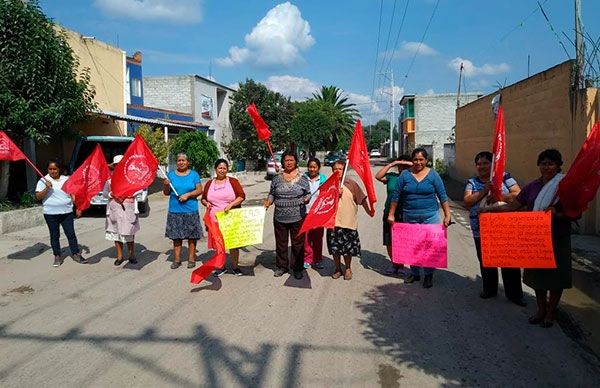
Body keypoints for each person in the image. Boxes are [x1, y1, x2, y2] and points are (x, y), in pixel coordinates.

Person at [482, 149, 576, 328]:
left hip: (557, 238)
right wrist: (489, 210)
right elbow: (512, 207)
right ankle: (540, 310)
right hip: (535, 239)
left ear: (558, 166)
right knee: (537, 277)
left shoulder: (564, 186)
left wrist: (557, 214)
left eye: (551, 163)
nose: (547, 167)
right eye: (543, 163)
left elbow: (575, 213)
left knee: (556, 278)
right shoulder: (532, 187)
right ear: (539, 165)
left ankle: (551, 313)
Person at [463, 151, 525, 305]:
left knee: (509, 261)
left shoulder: (504, 177)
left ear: (492, 165)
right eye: (479, 164)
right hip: (481, 228)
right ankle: (489, 290)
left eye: (485, 163)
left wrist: (500, 196)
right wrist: (484, 191)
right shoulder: (472, 182)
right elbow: (467, 201)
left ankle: (514, 294)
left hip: (504, 227)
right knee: (486, 260)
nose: (482, 166)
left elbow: (519, 194)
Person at [387, 148, 451, 288]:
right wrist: (391, 214)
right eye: (415, 159)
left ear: (426, 160)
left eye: (421, 159)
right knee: (413, 245)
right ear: (412, 160)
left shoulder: (433, 175)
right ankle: (415, 274)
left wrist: (447, 214)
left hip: (430, 216)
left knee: (428, 245)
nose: (418, 162)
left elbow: (442, 195)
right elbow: (396, 196)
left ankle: (428, 275)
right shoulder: (405, 175)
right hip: (409, 215)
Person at [263, 150, 310, 280]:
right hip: (280, 216)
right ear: (283, 162)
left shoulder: (303, 178)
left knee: (298, 244)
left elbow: (307, 193)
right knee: (281, 243)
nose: (289, 162)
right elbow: (272, 193)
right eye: (286, 160)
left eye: (291, 160)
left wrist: (307, 198)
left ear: (296, 162)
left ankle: (297, 268)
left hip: (298, 216)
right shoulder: (277, 178)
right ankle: (282, 266)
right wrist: (268, 201)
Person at [35, 159, 86, 267]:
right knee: (54, 235)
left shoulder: (66, 179)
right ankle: (57, 256)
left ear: (59, 169)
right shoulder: (43, 180)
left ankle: (76, 253)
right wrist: (46, 188)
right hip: (50, 213)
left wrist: (78, 207)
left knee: (71, 234)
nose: (52, 171)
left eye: (55, 169)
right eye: (50, 169)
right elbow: (38, 196)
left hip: (66, 212)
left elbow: (73, 194)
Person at [327, 160, 373, 280]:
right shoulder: (328, 184)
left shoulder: (351, 184)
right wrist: (335, 193)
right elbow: (323, 202)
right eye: (335, 169)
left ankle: (348, 268)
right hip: (333, 222)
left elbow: (362, 199)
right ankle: (337, 268)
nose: (337, 171)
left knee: (347, 249)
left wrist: (369, 211)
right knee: (335, 248)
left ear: (344, 170)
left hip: (348, 222)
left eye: (340, 169)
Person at [201, 159, 246, 276]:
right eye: (220, 168)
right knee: (218, 245)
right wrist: (206, 203)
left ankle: (235, 267)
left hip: (231, 219)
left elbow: (241, 196)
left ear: (227, 169)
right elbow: (203, 198)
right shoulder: (209, 184)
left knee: (233, 244)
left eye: (224, 168)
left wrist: (231, 205)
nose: (222, 170)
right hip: (214, 220)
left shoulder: (233, 182)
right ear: (215, 169)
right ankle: (221, 267)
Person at [163, 153, 203, 269]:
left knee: (192, 236)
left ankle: (191, 258)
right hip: (175, 210)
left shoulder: (194, 174)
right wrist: (165, 185)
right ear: (176, 162)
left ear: (188, 162)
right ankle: (177, 259)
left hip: (190, 209)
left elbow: (199, 190)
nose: (181, 162)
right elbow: (166, 193)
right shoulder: (171, 175)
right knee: (176, 237)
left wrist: (188, 195)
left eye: (183, 160)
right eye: (179, 160)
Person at [375, 155, 413, 275]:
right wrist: (393, 163)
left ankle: (401, 265)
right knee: (389, 241)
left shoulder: (413, 178)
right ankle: (394, 263)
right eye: (400, 166)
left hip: (404, 213)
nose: (402, 168)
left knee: (401, 240)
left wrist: (410, 164)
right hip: (388, 212)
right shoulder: (392, 177)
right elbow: (378, 176)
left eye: (405, 166)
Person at [103, 155, 140, 266]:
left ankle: (131, 255)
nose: (118, 167)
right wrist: (112, 194)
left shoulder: (131, 179)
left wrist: (127, 194)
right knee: (116, 233)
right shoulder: (110, 181)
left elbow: (139, 190)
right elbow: (105, 194)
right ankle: (119, 256)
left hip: (128, 208)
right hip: (115, 209)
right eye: (116, 165)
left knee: (129, 232)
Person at [303, 157, 326, 270]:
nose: (312, 169)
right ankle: (307, 259)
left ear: (318, 168)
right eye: (310, 167)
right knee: (306, 239)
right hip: (305, 213)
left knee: (317, 239)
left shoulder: (323, 180)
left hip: (318, 215)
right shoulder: (302, 179)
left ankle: (318, 259)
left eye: (314, 167)